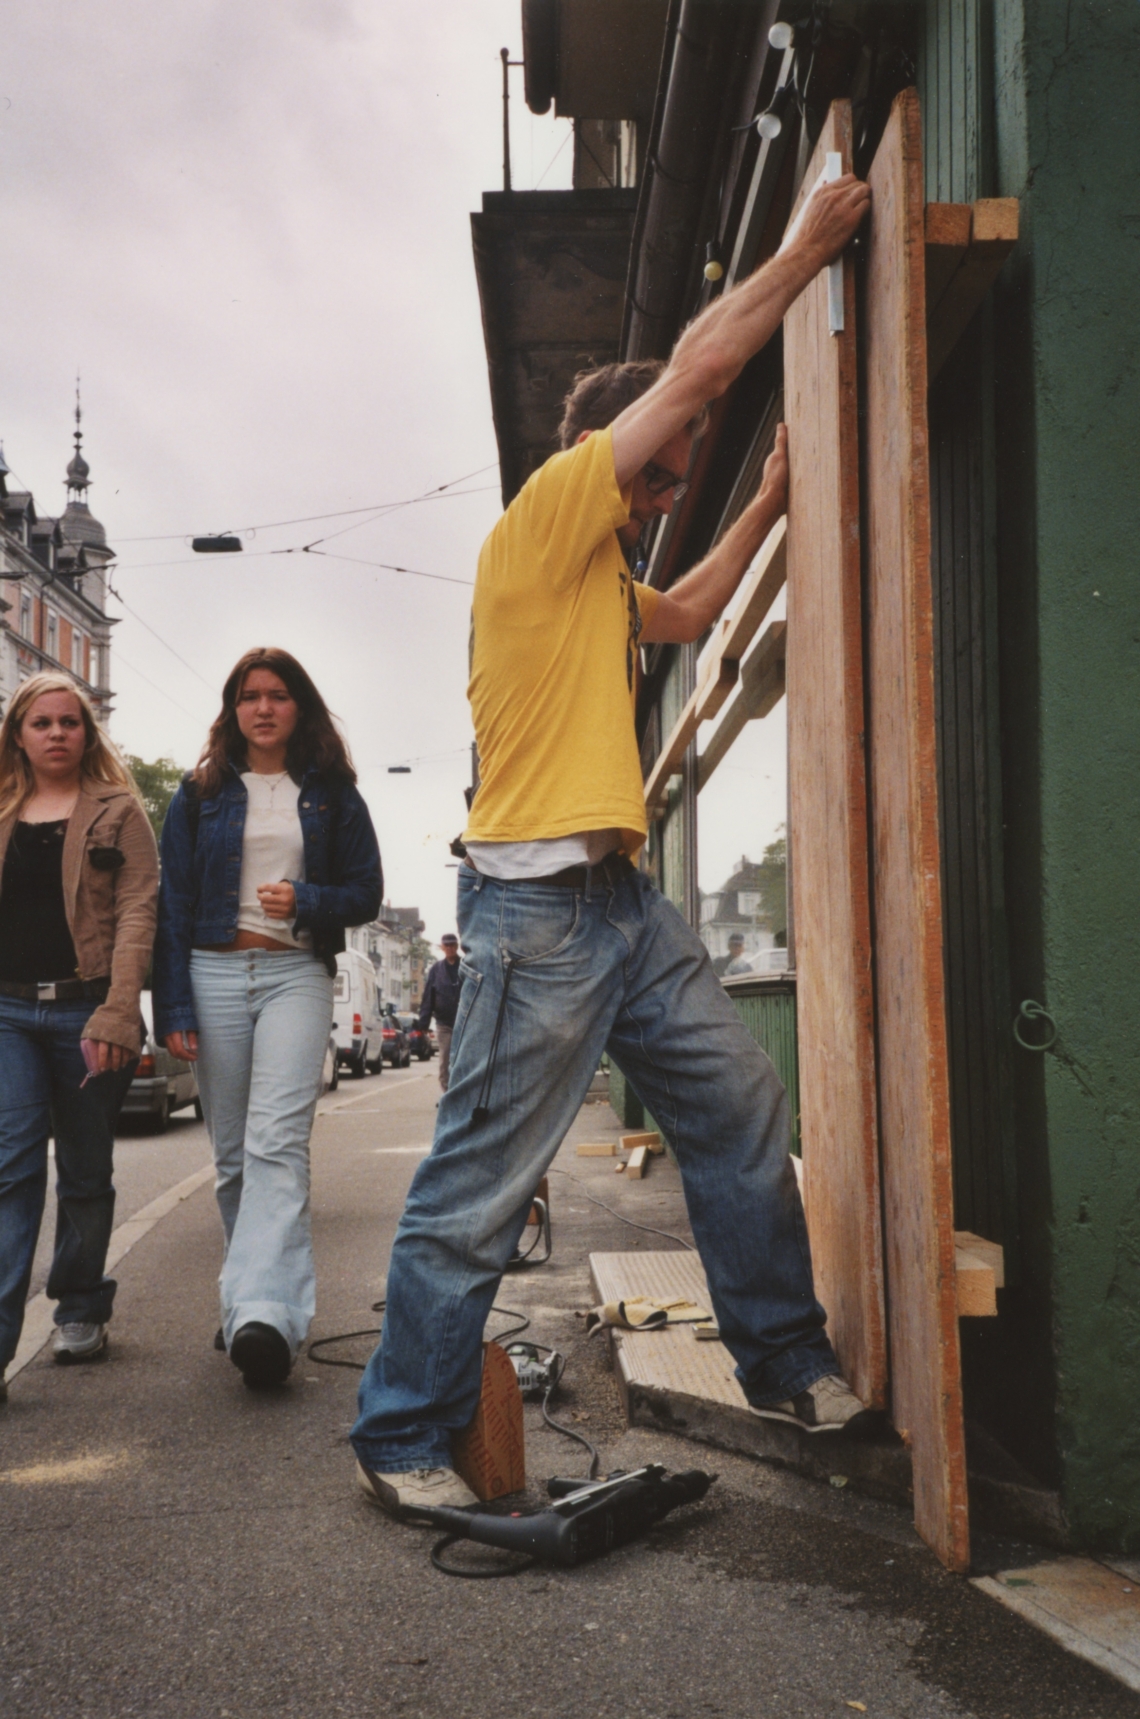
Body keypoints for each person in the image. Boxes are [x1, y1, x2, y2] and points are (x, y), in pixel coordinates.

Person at [351, 171, 873, 1517]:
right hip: (532, 911)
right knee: (481, 1180)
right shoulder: (539, 525)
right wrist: (806, 246)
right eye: (654, 473)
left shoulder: (601, 582)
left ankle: (785, 1360)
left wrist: (764, 498)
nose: (656, 497)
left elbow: (693, 605)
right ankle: (400, 1429)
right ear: (600, 453)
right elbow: (699, 365)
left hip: (619, 905)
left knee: (740, 1109)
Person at [153, 648, 381, 1388]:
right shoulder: (200, 792)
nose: (263, 708)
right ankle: (248, 1301)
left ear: (299, 706)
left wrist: (305, 901)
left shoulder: (333, 793)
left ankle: (265, 1317)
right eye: (249, 695)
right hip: (213, 971)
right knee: (233, 1158)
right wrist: (175, 1006)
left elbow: (366, 892)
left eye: (278, 695)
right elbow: (174, 906)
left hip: (294, 974)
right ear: (233, 708)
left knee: (277, 1141)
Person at [0, 672, 158, 1395]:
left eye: (70, 722)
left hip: (86, 1010)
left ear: (87, 734)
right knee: (12, 1171)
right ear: (19, 734)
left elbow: (136, 915)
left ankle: (79, 1303)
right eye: (43, 722)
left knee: (87, 1172)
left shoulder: (119, 810)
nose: (57, 732)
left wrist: (120, 1010)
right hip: (7, 1013)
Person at [417, 934, 461, 1090]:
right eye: (446, 945)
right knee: (445, 1059)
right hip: (444, 1024)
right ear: (442, 947)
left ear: (457, 946)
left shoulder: (465, 966)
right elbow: (428, 996)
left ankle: (460, 1092)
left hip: (465, 1022)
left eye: (452, 945)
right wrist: (424, 1022)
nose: (449, 948)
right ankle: (446, 1093)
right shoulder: (436, 969)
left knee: (463, 1059)